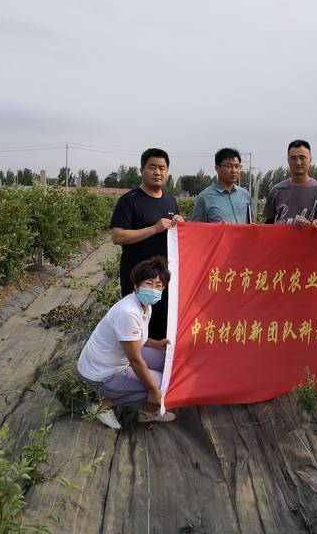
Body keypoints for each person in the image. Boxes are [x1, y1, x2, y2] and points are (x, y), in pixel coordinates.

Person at [77, 257, 176, 429]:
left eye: (158, 285)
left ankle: (146, 400)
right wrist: (153, 391)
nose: (153, 290)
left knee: (165, 361)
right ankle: (106, 405)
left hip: (113, 360)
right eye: (149, 283)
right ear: (136, 286)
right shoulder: (128, 313)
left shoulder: (145, 306)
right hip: (100, 374)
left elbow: (134, 338)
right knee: (160, 384)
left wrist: (155, 344)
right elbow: (135, 361)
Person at [110, 148, 184, 340]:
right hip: (138, 276)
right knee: (137, 324)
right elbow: (118, 236)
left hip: (162, 277)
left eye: (162, 168)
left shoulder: (170, 201)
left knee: (162, 323)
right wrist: (153, 229)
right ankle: (135, 357)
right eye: (152, 167)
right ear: (142, 170)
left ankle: (158, 358)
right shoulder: (129, 201)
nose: (157, 172)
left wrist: (180, 224)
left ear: (167, 172)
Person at [264, 140, 317, 229]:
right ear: (288, 161)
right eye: (293, 158)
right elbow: (268, 225)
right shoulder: (276, 190)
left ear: (310, 160)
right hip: (280, 238)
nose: (298, 162)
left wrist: (310, 224)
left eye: (302, 158)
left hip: (307, 238)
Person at [192, 148, 253, 223]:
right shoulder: (204, 197)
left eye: (237, 166)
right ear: (217, 168)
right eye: (229, 166)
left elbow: (251, 223)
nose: (234, 171)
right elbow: (197, 227)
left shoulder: (245, 195)